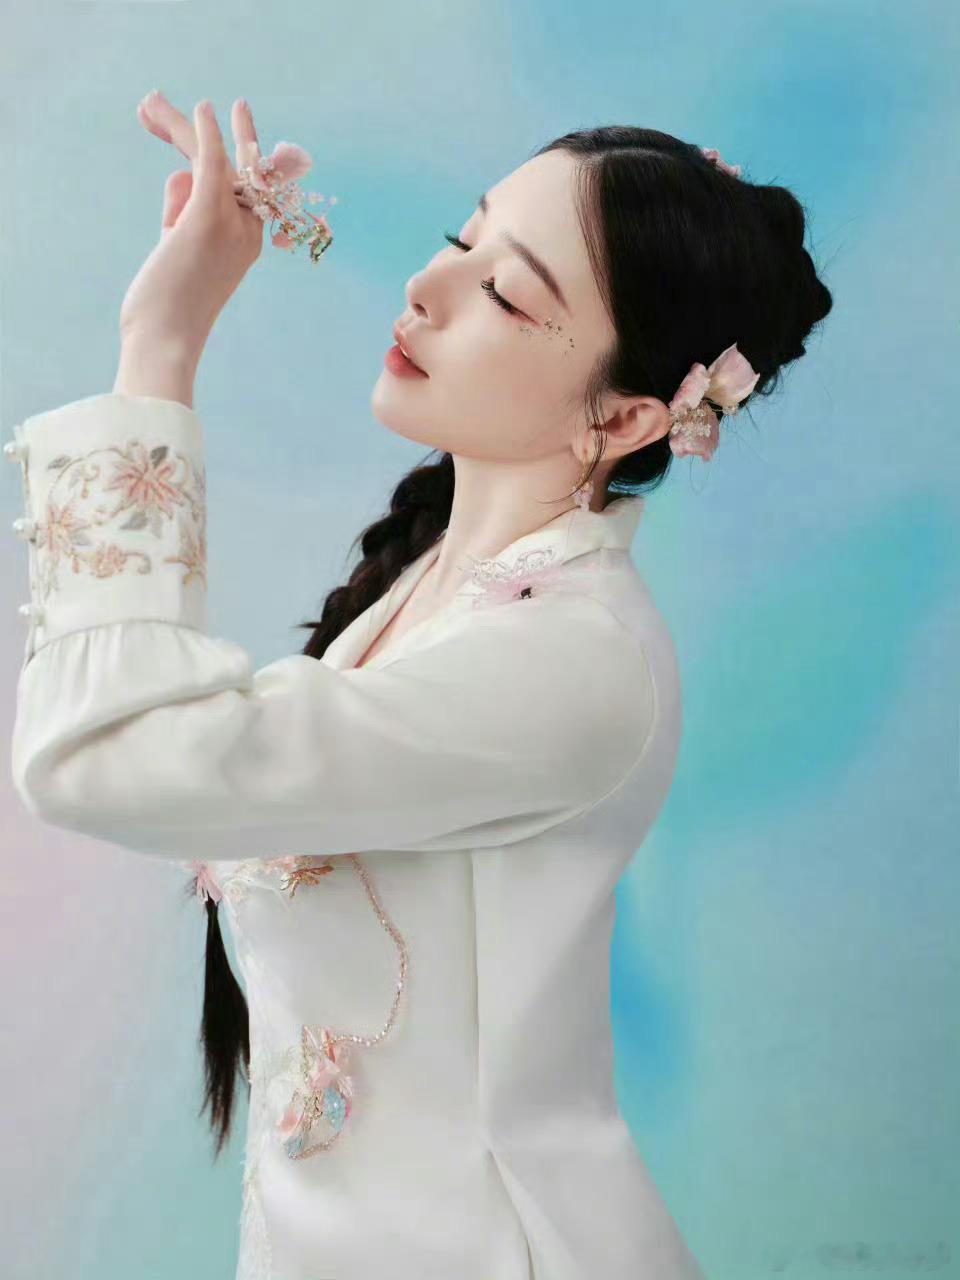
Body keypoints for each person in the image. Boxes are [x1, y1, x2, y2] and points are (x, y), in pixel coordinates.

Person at [7, 96, 832, 1279]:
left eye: (509, 294)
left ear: (626, 416)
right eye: (461, 239)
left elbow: (105, 755)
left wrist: (161, 345)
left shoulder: (574, 660)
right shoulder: (430, 593)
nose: (429, 288)